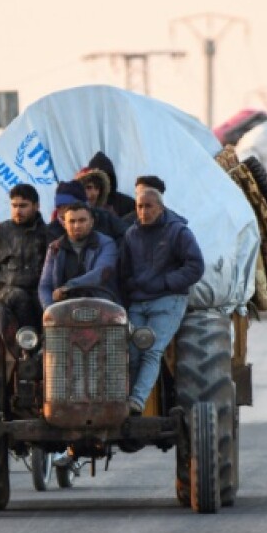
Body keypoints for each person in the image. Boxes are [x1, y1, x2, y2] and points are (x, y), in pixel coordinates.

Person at [118, 183, 204, 413]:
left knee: (152, 350)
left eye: (149, 206)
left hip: (168, 300)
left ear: (160, 207)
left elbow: (195, 267)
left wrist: (165, 282)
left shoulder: (178, 232)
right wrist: (133, 285)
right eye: (140, 206)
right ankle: (124, 403)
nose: (144, 211)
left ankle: (137, 401)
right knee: (131, 352)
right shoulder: (131, 234)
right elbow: (124, 270)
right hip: (139, 302)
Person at [0, 183, 50, 339]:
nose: (18, 211)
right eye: (14, 206)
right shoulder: (2, 232)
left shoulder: (48, 233)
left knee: (46, 304)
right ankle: (27, 344)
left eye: (23, 206)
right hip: (8, 290)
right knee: (19, 297)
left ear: (36, 206)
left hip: (38, 289)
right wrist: (6, 277)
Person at [39, 202, 120, 308]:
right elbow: (45, 285)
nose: (77, 226)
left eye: (82, 220)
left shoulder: (106, 243)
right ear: (64, 224)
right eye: (72, 221)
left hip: (101, 306)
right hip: (65, 308)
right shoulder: (55, 248)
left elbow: (100, 273)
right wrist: (49, 309)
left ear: (92, 222)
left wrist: (68, 287)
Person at [57, 172, 128, 242]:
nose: (94, 193)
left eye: (66, 206)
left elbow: (126, 234)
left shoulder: (105, 217)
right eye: (59, 207)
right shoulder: (54, 230)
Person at [88, 151, 136, 218]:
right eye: (97, 178)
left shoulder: (128, 204)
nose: (102, 182)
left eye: (105, 177)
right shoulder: (82, 203)